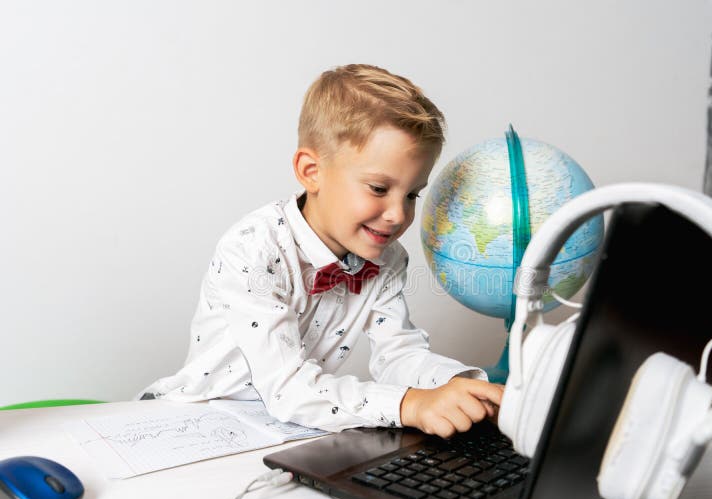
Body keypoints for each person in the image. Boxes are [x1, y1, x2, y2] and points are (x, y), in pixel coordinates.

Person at [138, 64, 504, 438]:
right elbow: (288, 387)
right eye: (379, 188)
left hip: (290, 430)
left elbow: (397, 354)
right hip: (197, 425)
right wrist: (408, 404)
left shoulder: (387, 259)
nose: (398, 215)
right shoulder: (253, 248)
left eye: (412, 194)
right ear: (311, 171)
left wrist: (462, 388)